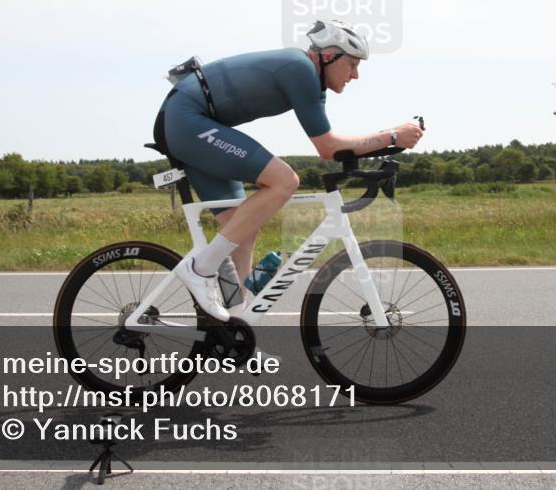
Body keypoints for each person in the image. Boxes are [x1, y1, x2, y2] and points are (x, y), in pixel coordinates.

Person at [154, 19, 424, 321]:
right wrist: (391, 136)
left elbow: (331, 149)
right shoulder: (301, 69)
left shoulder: (314, 84)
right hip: (186, 119)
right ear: (327, 56)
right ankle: (200, 270)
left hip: (197, 122)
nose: (356, 74)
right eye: (351, 64)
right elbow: (328, 147)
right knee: (285, 181)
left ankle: (235, 323)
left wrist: (387, 146)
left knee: (242, 230)